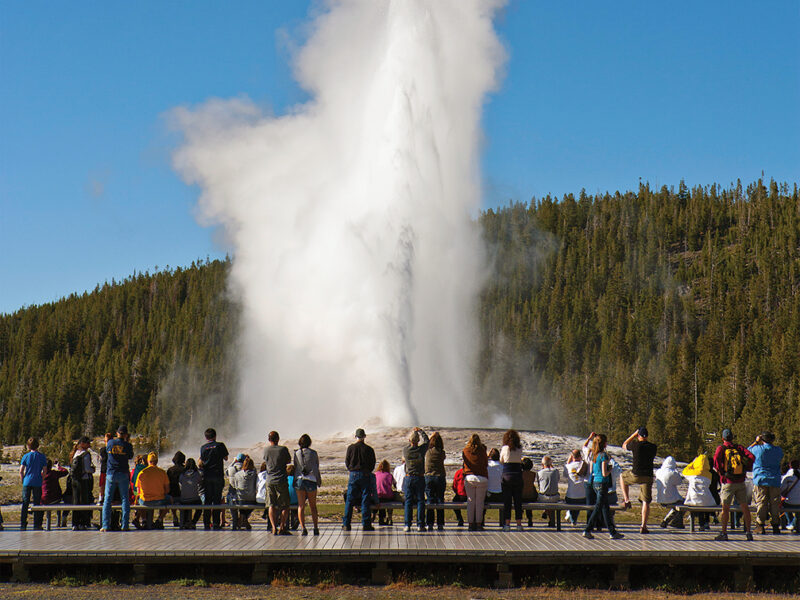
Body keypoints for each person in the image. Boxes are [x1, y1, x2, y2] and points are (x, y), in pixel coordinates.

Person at [713, 428, 755, 541]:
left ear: (723, 438)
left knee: (725, 508)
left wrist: (721, 472)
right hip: (741, 481)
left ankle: (724, 533)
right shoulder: (739, 448)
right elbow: (751, 457)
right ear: (732, 437)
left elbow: (716, 460)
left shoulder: (721, 448)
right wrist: (745, 468)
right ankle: (748, 532)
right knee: (745, 507)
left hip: (728, 482)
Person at [583, 434, 624, 540]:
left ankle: (612, 532)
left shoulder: (594, 455)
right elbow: (605, 473)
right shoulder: (604, 456)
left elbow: (592, 471)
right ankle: (587, 529)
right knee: (598, 507)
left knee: (605, 508)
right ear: (604, 443)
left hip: (595, 483)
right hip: (602, 483)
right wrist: (610, 468)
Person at [620, 426, 657, 534]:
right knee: (646, 502)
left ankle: (626, 500)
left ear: (639, 436)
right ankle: (643, 526)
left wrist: (633, 435)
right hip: (648, 476)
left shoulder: (635, 445)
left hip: (636, 474)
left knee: (622, 476)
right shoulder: (653, 447)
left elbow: (624, 445)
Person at [748, 431, 784, 535]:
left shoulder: (757, 449)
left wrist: (756, 441)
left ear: (762, 439)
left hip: (761, 479)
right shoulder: (778, 450)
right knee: (774, 503)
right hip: (775, 480)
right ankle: (776, 526)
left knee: (761, 502)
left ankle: (760, 525)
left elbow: (747, 451)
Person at [101, 425, 133, 532]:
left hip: (111, 473)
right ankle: (125, 525)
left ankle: (105, 525)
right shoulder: (127, 445)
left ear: (117, 433)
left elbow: (107, 451)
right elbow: (130, 456)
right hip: (123, 473)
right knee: (125, 499)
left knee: (107, 499)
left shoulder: (110, 443)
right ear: (125, 434)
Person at [343, 428, 376, 531]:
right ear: (364, 437)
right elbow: (372, 463)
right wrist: (367, 471)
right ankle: (366, 524)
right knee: (365, 499)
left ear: (355, 436)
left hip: (353, 474)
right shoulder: (369, 449)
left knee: (349, 499)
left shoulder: (350, 448)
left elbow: (347, 461)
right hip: (365, 474)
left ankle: (346, 524)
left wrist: (351, 470)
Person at [263, 431, 292, 536]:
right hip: (281, 479)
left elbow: (265, 461)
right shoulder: (283, 449)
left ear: (269, 439)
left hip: (270, 480)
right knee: (284, 505)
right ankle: (283, 527)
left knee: (271, 505)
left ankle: (274, 527)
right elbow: (288, 460)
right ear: (278, 439)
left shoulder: (265, 450)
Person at [200, 428, 229, 531]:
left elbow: (202, 461)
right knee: (217, 500)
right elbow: (226, 458)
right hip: (217, 476)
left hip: (207, 476)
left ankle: (206, 523)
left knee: (208, 500)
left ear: (206, 437)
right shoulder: (220, 445)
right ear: (215, 436)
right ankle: (216, 523)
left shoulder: (203, 448)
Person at [293, 433, 322, 536]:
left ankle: (303, 528)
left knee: (301, 506)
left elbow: (295, 466)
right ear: (309, 443)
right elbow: (316, 466)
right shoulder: (313, 453)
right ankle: (315, 528)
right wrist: (318, 480)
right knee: (313, 506)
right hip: (311, 480)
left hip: (300, 480)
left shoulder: (296, 453)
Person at [402, 427, 429, 532]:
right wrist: (421, 431)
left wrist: (413, 435)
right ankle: (420, 524)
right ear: (418, 441)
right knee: (420, 501)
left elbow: (410, 444)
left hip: (409, 478)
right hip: (419, 478)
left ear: (409, 441)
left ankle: (407, 525)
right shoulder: (421, 450)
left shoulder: (406, 450)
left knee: (408, 501)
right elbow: (427, 441)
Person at [19, 437, 48, 531]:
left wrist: (23, 480)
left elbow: (21, 470)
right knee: (37, 503)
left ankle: (23, 523)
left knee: (25, 503)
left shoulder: (26, 456)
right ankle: (37, 524)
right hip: (37, 481)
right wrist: (42, 479)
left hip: (27, 481)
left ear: (28, 446)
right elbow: (44, 470)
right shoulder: (42, 456)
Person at [136, 452, 170, 528]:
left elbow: (138, 491)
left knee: (138, 499)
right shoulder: (162, 472)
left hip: (145, 501)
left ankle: (144, 520)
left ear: (148, 461)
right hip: (159, 501)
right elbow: (167, 490)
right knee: (169, 499)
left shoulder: (141, 473)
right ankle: (160, 519)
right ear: (157, 461)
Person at [462, 434, 489, 531]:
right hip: (481, 478)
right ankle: (478, 524)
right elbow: (486, 463)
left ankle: (470, 524)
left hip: (469, 478)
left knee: (470, 501)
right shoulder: (482, 450)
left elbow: (464, 463)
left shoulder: (465, 450)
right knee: (479, 502)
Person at [682, 454, 716, 531]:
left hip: (693, 498)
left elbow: (684, 471)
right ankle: (702, 524)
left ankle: (697, 525)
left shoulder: (692, 473)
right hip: (707, 499)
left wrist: (692, 463)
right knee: (701, 502)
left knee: (697, 502)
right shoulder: (709, 475)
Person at [500, 429, 524, 532]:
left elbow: (501, 461)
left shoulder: (505, 448)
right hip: (518, 476)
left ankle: (507, 524)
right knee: (518, 501)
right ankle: (519, 524)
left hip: (507, 477)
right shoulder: (520, 448)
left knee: (507, 502)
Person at [70, 436, 95, 531]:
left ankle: (74, 523)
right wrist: (92, 470)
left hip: (74, 480)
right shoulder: (86, 455)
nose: (89, 445)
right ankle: (83, 522)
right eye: (88, 443)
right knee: (84, 501)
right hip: (83, 480)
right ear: (83, 444)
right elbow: (88, 469)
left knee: (76, 501)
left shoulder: (76, 453)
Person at [424, 431, 446, 531]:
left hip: (429, 477)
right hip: (440, 477)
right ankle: (440, 523)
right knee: (440, 500)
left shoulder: (427, 452)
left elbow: (426, 443)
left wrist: (425, 434)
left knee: (430, 500)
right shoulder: (442, 453)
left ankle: (429, 523)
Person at [655, 456, 684, 528]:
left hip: (660, 498)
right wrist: (677, 472)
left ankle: (669, 521)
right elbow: (679, 482)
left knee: (677, 506)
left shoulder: (658, 471)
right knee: (683, 504)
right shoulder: (672, 473)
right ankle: (672, 521)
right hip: (671, 499)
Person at [563, 449, 587, 526]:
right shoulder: (584, 465)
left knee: (571, 500)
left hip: (570, 497)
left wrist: (568, 462)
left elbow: (565, 475)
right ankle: (573, 519)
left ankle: (570, 516)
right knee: (578, 500)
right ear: (580, 456)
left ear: (572, 456)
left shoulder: (568, 466)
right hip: (582, 497)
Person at [42, 459, 68, 527]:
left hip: (44, 499)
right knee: (58, 502)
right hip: (56, 497)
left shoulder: (41, 475)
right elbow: (65, 472)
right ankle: (58, 521)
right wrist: (58, 467)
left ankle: (39, 523)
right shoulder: (54, 473)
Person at [233, 457, 257, 530]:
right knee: (254, 503)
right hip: (251, 498)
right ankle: (244, 519)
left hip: (240, 498)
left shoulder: (237, 474)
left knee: (240, 503)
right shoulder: (254, 475)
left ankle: (243, 518)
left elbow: (235, 486)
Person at [178, 458, 203, 529]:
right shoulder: (197, 474)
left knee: (185, 503)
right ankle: (193, 522)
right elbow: (200, 482)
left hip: (184, 499)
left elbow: (180, 482)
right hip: (194, 499)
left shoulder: (182, 474)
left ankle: (186, 522)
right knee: (200, 507)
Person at [536, 455, 560, 527]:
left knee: (543, 495)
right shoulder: (556, 471)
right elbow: (557, 480)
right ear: (551, 464)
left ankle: (546, 511)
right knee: (551, 499)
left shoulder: (540, 473)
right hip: (555, 497)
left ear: (542, 464)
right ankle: (551, 520)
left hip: (543, 497)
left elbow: (539, 485)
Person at [167, 451, 186, 528]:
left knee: (172, 497)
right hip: (183, 496)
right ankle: (183, 519)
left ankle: (175, 516)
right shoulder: (184, 470)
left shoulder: (170, 470)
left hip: (172, 495)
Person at [780, 460, 800, 534]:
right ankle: (795, 524)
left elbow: (782, 490)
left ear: (790, 466)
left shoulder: (787, 476)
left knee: (784, 506)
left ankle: (790, 522)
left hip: (789, 502)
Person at [374, 460, 396, 527]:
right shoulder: (389, 475)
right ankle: (389, 517)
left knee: (380, 498)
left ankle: (380, 518)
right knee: (388, 496)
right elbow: (395, 485)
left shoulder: (375, 474)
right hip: (387, 496)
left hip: (377, 496)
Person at [485, 448, 503, 527]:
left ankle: (481, 522)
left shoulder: (487, 467)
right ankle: (503, 522)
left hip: (489, 494)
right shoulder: (502, 467)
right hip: (500, 494)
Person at [226, 454, 245, 530]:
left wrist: (233, 462)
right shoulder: (245, 469)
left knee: (233, 509)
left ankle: (235, 523)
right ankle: (241, 521)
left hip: (232, 493)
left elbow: (226, 472)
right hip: (242, 494)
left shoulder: (231, 469)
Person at [521, 457, 538, 527]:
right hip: (531, 496)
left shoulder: (520, 474)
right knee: (529, 507)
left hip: (521, 497)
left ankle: (520, 515)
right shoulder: (533, 474)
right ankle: (530, 518)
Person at [97, 433, 113, 505]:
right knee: (103, 485)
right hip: (105, 470)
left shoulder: (107, 450)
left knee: (105, 485)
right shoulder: (103, 450)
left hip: (109, 470)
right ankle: (101, 498)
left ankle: (104, 498)